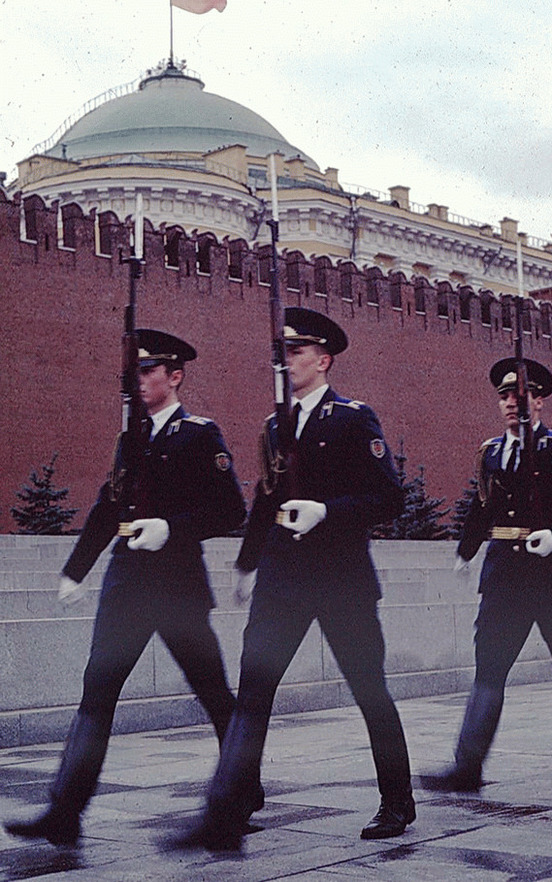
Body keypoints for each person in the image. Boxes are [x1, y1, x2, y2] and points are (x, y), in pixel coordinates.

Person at [174, 307, 415, 851]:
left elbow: (389, 497)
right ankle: (234, 801)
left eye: (298, 351)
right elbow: (266, 497)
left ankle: (397, 800)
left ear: (324, 360)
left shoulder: (353, 418)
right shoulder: (272, 425)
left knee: (369, 689)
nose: (287, 360)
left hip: (341, 577)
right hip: (281, 576)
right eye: (282, 352)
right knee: (255, 690)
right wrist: (246, 561)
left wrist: (328, 511)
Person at [5, 329, 248, 847]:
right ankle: (65, 812)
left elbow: (232, 510)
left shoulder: (200, 434)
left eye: (148, 371)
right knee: (97, 693)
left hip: (178, 586)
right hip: (126, 587)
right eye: (134, 372)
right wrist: (77, 568)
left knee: (213, 695)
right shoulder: (129, 438)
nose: (138, 381)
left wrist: (172, 527)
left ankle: (241, 790)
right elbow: (107, 504)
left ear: (174, 376)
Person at [426, 356, 552, 794]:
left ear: (540, 400)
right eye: (505, 397)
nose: (512, 403)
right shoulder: (492, 452)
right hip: (504, 580)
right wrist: (466, 550)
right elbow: (483, 505)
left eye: (521, 395)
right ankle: (467, 767)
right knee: (489, 672)